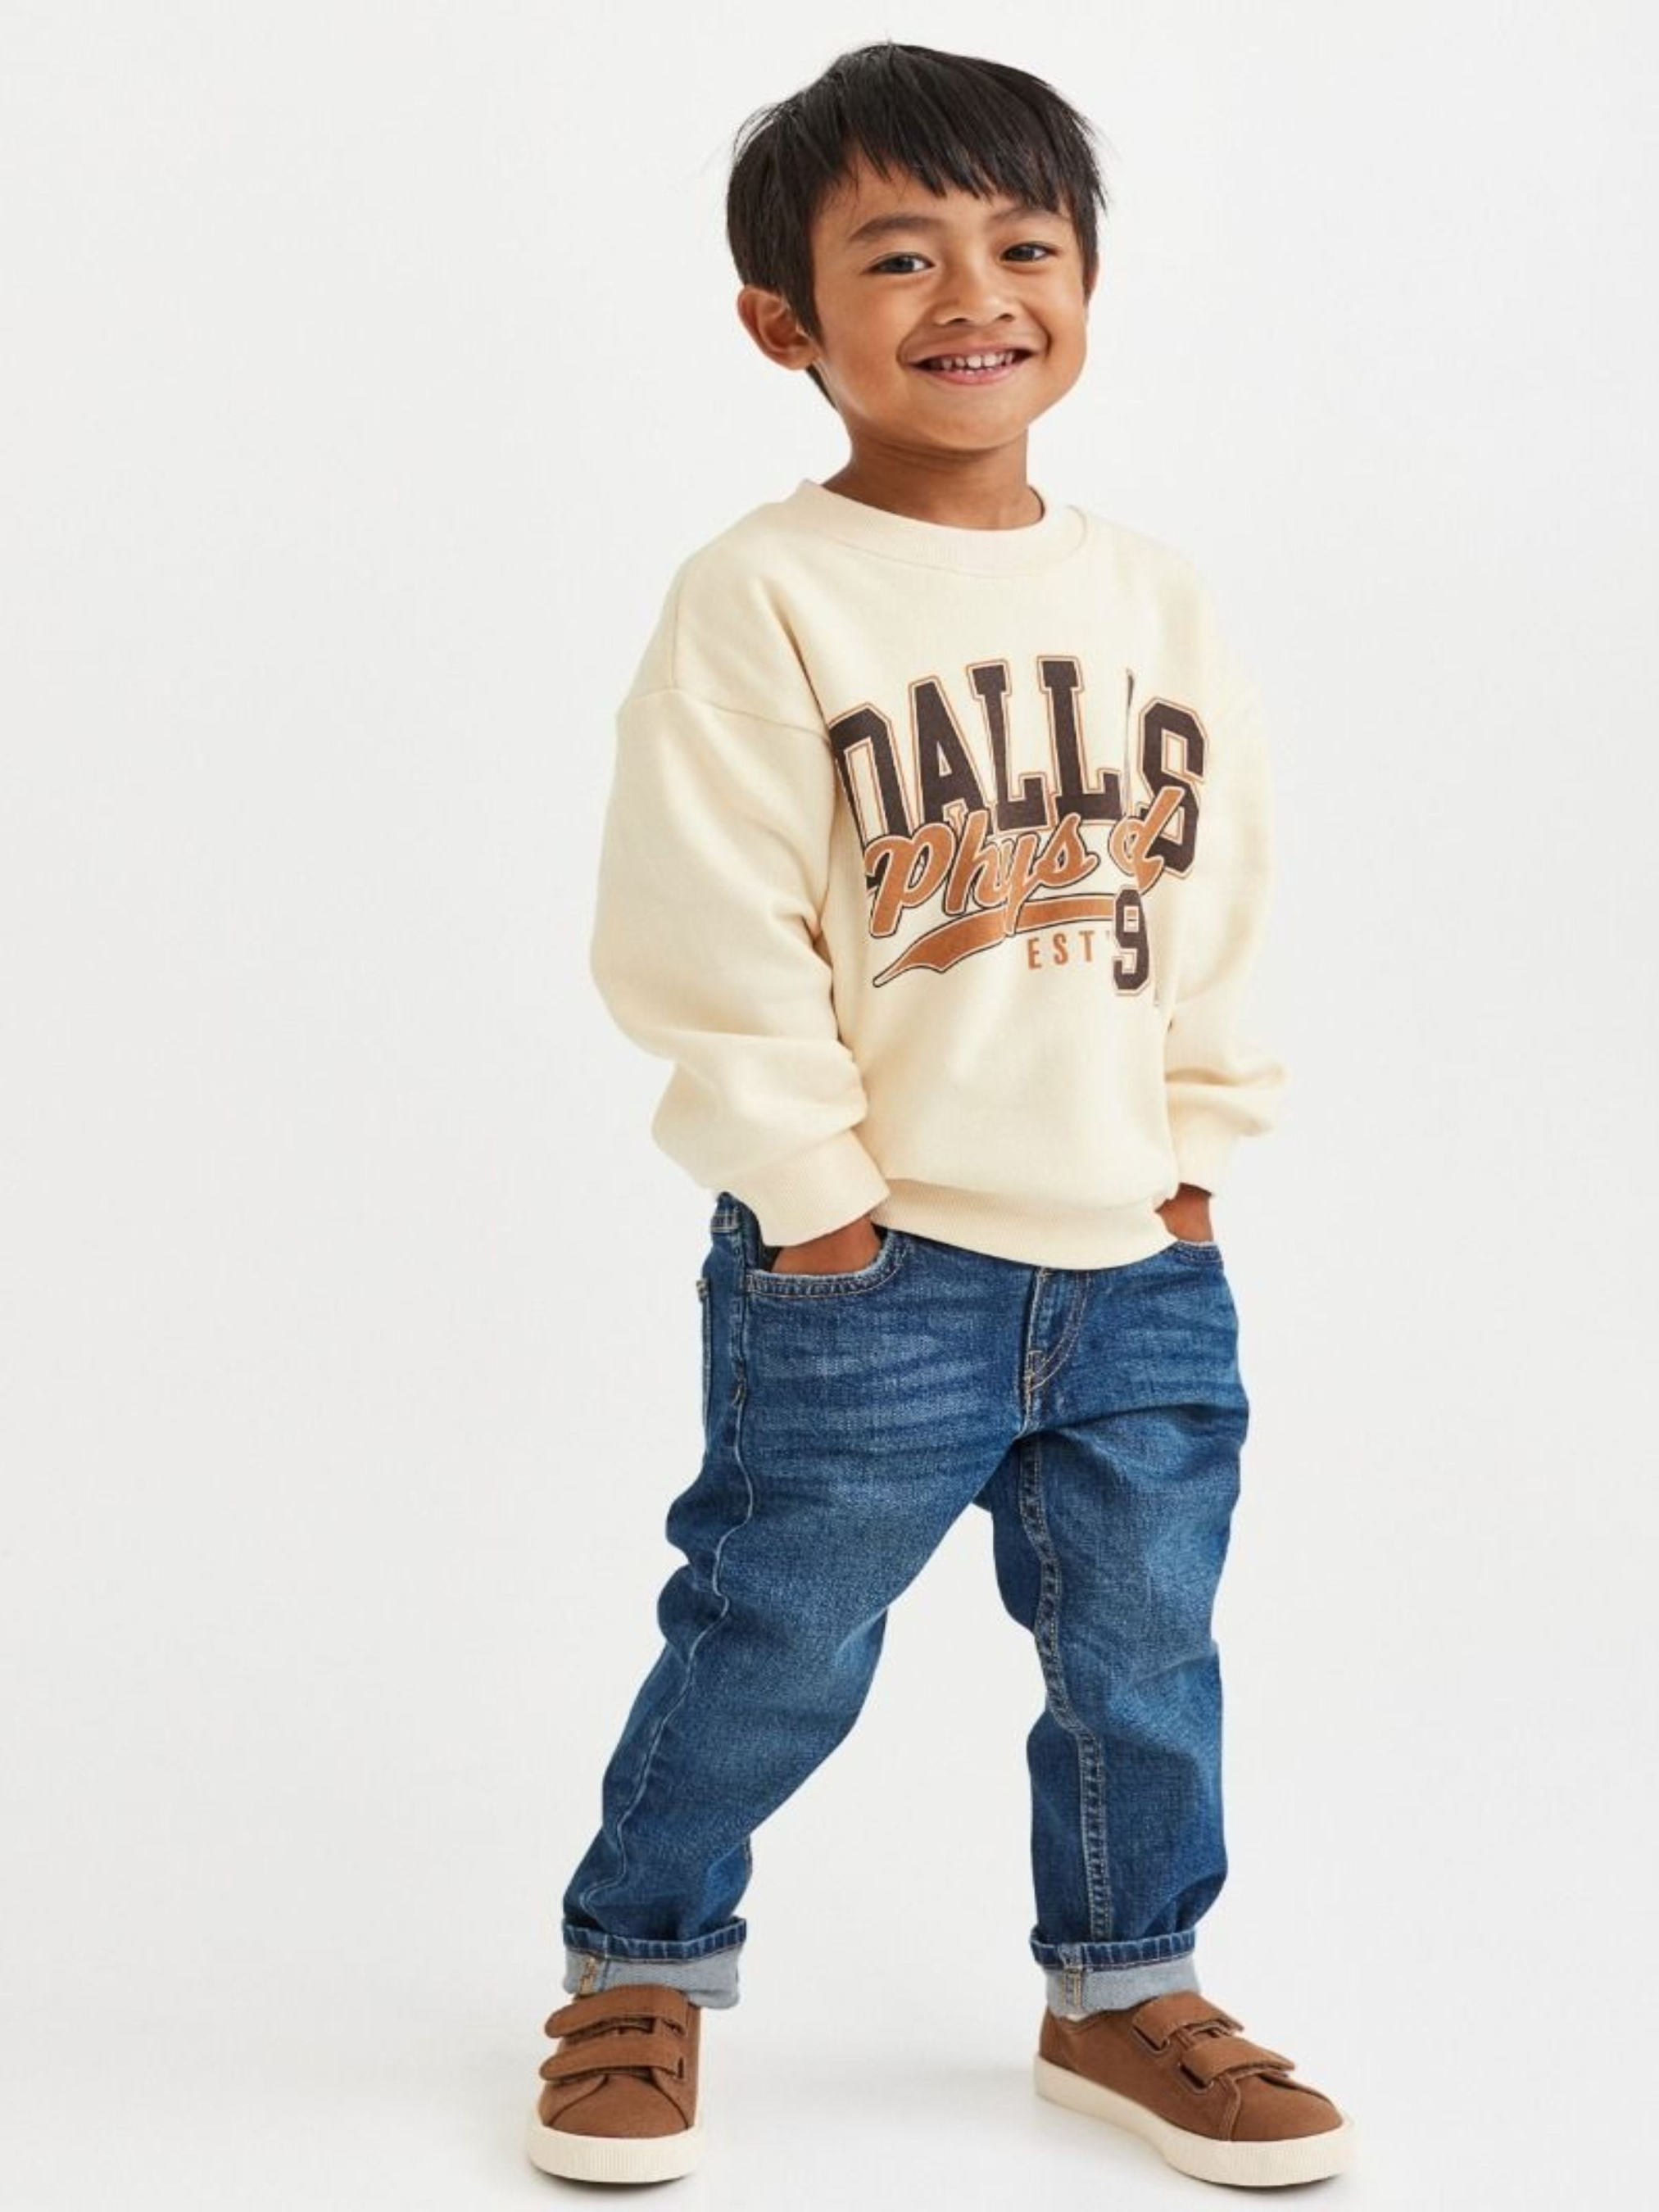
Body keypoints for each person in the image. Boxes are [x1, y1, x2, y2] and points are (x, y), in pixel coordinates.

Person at [528, 39, 1354, 2192]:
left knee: (1142, 1652)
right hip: (872, 1263)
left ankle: (1125, 1988)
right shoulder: (764, 595)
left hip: (1138, 1254)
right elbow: (701, 922)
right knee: (776, 1634)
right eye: (898, 256)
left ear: (1085, 281)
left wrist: (1200, 1154)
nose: (973, 293)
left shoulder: (1152, 594)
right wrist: (813, 1198)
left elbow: (1217, 890)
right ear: (781, 322)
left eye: (1022, 245)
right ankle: (640, 1958)